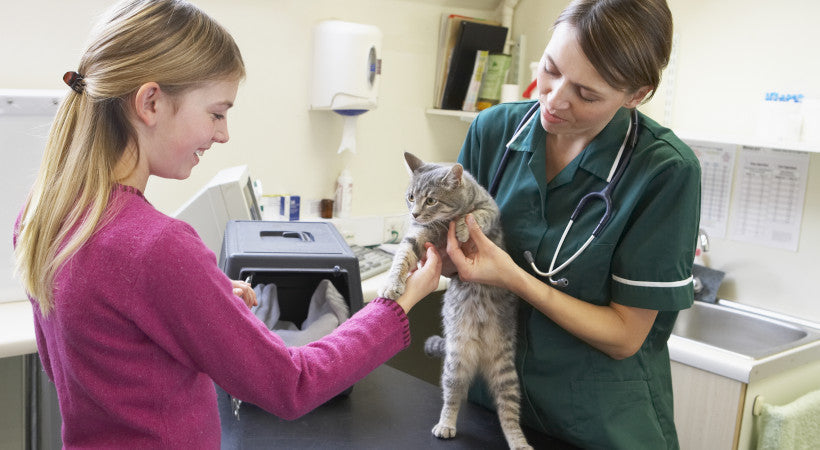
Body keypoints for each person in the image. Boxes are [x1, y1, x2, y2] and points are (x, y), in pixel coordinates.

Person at [12, 0, 442, 448]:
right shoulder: (158, 247)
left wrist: (198, 301)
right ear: (151, 102)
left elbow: (98, 350)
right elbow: (293, 385)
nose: (223, 134)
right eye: (217, 113)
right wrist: (397, 302)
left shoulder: (45, 216)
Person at [443, 0, 700, 448]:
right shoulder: (492, 132)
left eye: (587, 94)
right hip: (496, 416)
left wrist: (513, 277)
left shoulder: (664, 171)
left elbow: (624, 336)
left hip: (601, 427)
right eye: (550, 68)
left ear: (635, 95)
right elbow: (454, 256)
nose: (555, 99)